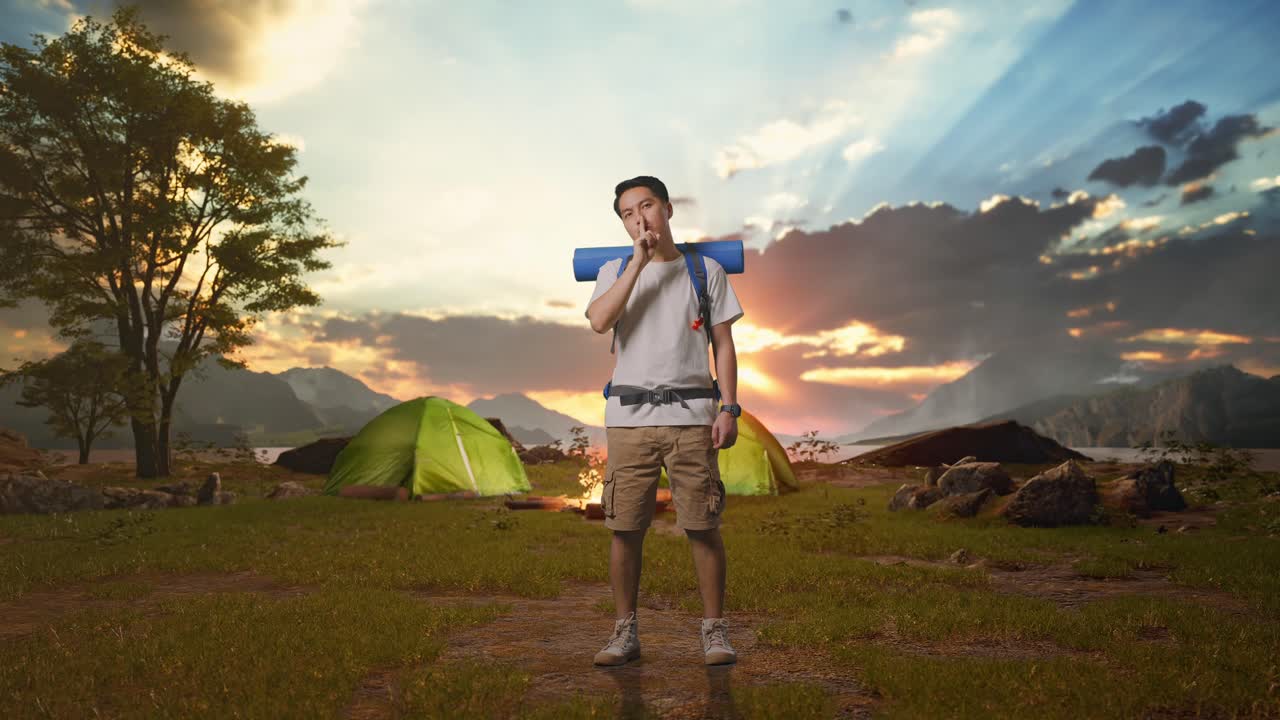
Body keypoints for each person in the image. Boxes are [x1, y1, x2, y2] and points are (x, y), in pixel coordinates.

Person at [583, 175, 745, 667]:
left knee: (702, 525)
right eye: (629, 214)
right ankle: (625, 632)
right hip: (629, 420)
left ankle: (714, 631)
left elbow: (724, 344)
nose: (640, 219)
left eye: (647, 207)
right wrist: (637, 262)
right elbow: (598, 320)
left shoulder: (705, 270)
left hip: (693, 417)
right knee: (625, 528)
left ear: (668, 209)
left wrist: (730, 408)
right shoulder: (614, 268)